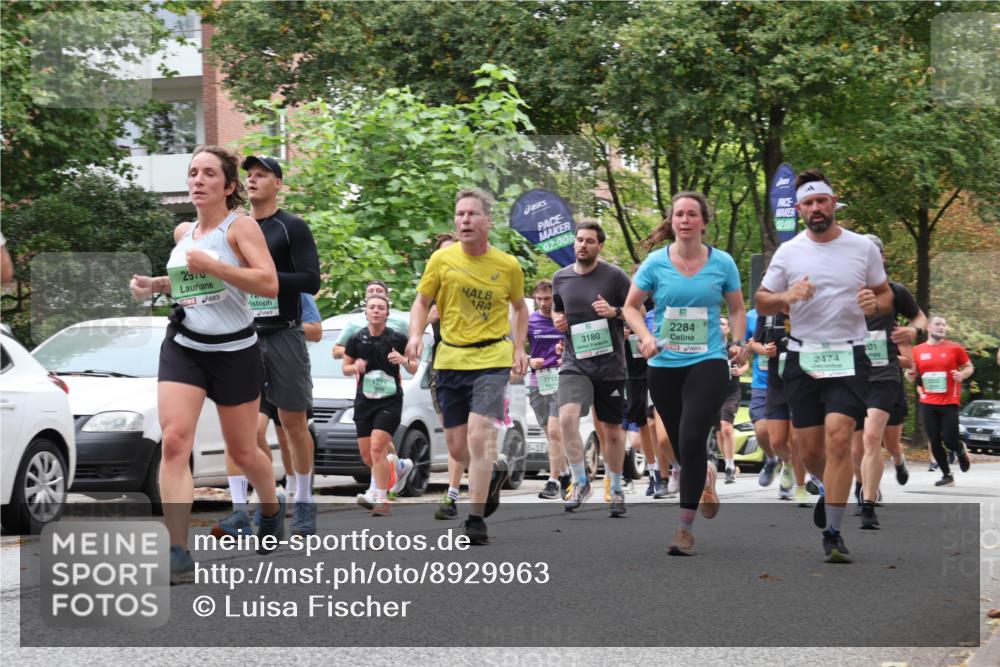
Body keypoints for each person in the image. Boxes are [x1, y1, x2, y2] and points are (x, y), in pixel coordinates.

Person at [129, 145, 283, 583]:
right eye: (193, 172)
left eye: (208, 173)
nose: (197, 180)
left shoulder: (242, 227)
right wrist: (155, 284)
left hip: (235, 352)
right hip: (185, 345)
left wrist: (216, 267)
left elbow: (268, 283)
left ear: (229, 186)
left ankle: (270, 508)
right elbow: (188, 280)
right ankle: (177, 550)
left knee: (243, 451)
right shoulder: (184, 234)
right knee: (175, 442)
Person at [756, 169, 892, 564]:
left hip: (849, 354)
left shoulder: (862, 247)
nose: (816, 208)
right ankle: (821, 482)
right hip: (803, 355)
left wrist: (874, 304)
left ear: (833, 203)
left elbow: (884, 295)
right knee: (809, 449)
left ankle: (833, 532)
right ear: (799, 210)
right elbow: (762, 300)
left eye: (822, 201)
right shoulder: (789, 252)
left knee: (838, 437)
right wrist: (787, 294)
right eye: (808, 203)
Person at [624, 191, 746, 556]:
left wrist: (737, 341)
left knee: (692, 436)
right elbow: (630, 307)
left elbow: (737, 309)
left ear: (703, 222)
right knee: (675, 441)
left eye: (693, 214)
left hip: (707, 361)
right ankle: (704, 474)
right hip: (663, 365)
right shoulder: (655, 263)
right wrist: (645, 336)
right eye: (679, 214)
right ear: (672, 221)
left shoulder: (722, 263)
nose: (685, 219)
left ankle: (683, 528)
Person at [406, 188, 529, 545]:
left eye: (472, 214)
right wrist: (415, 334)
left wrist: (518, 347)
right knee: (459, 450)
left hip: (491, 359)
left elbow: (520, 308)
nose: (464, 220)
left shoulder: (507, 265)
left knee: (479, 435)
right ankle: (492, 473)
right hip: (449, 360)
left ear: (488, 221)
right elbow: (421, 300)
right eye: (460, 214)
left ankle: (475, 520)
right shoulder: (441, 261)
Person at [214, 155, 321, 539]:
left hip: (284, 332)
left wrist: (266, 278)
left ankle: (305, 503)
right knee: (242, 428)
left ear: (277, 183)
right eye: (249, 176)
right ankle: (243, 510)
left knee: (293, 423)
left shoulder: (291, 228)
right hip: (241, 335)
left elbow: (311, 281)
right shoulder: (232, 228)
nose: (253, 180)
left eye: (261, 175)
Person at [551, 221, 632, 517]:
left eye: (589, 241)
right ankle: (581, 480)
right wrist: (557, 319)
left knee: (611, 432)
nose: (582, 245)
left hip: (610, 365)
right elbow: (556, 309)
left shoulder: (615, 277)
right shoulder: (561, 278)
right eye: (579, 240)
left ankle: (617, 486)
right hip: (575, 363)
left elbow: (639, 312)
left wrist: (616, 312)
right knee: (567, 419)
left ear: (600, 246)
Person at [851, 234, 926, 529]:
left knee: (872, 438)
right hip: (851, 376)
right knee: (855, 449)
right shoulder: (845, 292)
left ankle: (869, 505)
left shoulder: (895, 292)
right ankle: (863, 486)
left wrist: (913, 332)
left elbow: (920, 318)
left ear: (881, 258)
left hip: (883, 375)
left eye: (873, 254)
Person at [343, 294, 418, 516]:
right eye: (372, 307)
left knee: (378, 447)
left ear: (387, 313)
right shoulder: (357, 339)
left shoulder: (397, 338)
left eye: (380, 308)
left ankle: (382, 501)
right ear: (366, 312)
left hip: (390, 401)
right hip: (365, 401)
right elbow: (345, 368)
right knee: (368, 456)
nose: (376, 311)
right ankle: (395, 468)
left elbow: (414, 367)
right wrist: (355, 366)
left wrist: (403, 361)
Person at [255, 293, 323, 501]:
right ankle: (270, 487)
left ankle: (300, 488)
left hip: (288, 366)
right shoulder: (246, 282)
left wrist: (285, 326)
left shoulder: (296, 290)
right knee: (254, 433)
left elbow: (316, 331)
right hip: (257, 366)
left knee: (289, 435)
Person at [427, 232, 471, 520]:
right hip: (441, 368)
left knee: (471, 433)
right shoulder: (429, 293)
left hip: (473, 365)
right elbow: (416, 323)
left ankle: (453, 493)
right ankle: (489, 465)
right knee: (455, 438)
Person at [908, 315, 973, 486]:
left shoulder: (955, 348)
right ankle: (947, 475)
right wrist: (909, 374)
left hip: (949, 401)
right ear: (929, 327)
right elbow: (912, 376)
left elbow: (969, 367)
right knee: (934, 440)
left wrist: (962, 375)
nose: (941, 327)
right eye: (937, 324)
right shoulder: (917, 350)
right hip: (928, 402)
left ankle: (960, 451)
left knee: (950, 440)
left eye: (944, 325)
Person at [752, 311, 809, 505]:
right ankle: (786, 463)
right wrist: (763, 349)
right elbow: (754, 342)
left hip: (801, 384)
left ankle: (800, 487)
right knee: (776, 442)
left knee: (796, 439)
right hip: (776, 384)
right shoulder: (768, 314)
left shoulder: (808, 309)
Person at [526, 279, 570, 500]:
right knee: (551, 434)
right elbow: (515, 350)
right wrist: (529, 360)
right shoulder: (529, 321)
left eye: (547, 298)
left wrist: (566, 356)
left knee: (554, 431)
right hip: (538, 383)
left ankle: (553, 481)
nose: (543, 303)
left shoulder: (563, 321)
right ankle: (566, 472)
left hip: (562, 380)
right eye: (539, 298)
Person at [717, 316, 749, 484]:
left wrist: (740, 371)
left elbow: (746, 364)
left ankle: (729, 467)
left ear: (728, 329)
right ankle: (728, 462)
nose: (719, 326)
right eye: (716, 323)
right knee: (719, 432)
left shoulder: (733, 347)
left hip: (731, 392)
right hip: (713, 393)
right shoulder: (708, 347)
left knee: (727, 428)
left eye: (722, 324)